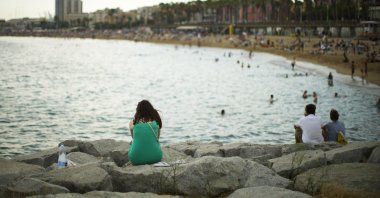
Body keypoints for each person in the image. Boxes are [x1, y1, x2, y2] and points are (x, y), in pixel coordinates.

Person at [128, 100, 163, 165]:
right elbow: (157, 139)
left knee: (131, 144)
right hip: (156, 158)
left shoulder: (132, 123)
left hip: (136, 159)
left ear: (138, 111)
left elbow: (134, 138)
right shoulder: (156, 123)